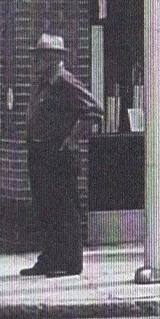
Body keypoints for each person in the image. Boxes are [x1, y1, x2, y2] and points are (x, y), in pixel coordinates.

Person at [23, 32, 103, 277]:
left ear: (54, 57)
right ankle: (49, 258)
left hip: (57, 154)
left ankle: (69, 263)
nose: (37, 61)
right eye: (37, 56)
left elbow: (94, 110)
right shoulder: (44, 84)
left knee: (64, 209)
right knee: (45, 208)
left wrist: (71, 139)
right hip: (40, 153)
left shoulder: (66, 82)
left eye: (41, 56)